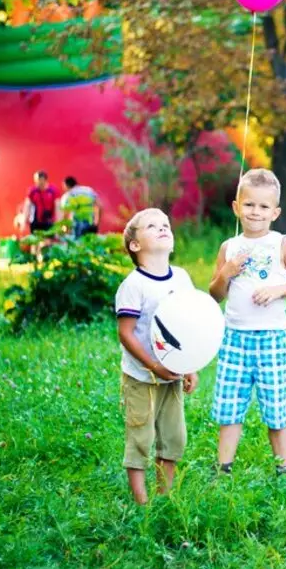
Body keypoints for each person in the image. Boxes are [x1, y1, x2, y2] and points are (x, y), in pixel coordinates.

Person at [208, 169, 286, 476]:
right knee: (230, 405)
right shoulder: (228, 248)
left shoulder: (281, 244)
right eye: (249, 205)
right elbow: (214, 294)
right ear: (236, 207)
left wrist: (279, 289)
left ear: (275, 212)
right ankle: (223, 466)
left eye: (264, 207)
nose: (256, 212)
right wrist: (226, 272)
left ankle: (284, 466)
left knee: (275, 405)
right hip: (234, 337)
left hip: (270, 337)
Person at [113, 208, 198, 505]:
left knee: (174, 437)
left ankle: (164, 496)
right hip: (141, 376)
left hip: (172, 374)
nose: (162, 228)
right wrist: (152, 365)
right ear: (135, 245)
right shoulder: (134, 285)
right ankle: (141, 502)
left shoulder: (182, 278)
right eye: (152, 226)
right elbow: (126, 333)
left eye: (166, 225)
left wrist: (189, 366)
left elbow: (187, 324)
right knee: (141, 436)